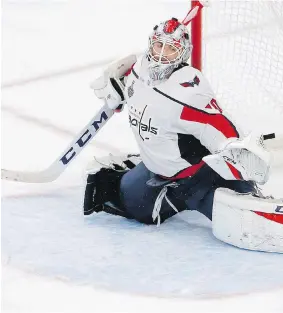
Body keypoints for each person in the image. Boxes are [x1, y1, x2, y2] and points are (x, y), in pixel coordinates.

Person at [83, 17, 271, 226]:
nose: (162, 54)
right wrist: (116, 82)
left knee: (243, 222)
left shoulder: (187, 91)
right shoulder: (138, 70)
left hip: (198, 178)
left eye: (171, 48)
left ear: (182, 53)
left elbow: (217, 124)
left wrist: (231, 146)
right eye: (159, 45)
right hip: (157, 172)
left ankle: (240, 192)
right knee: (127, 202)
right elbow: (129, 72)